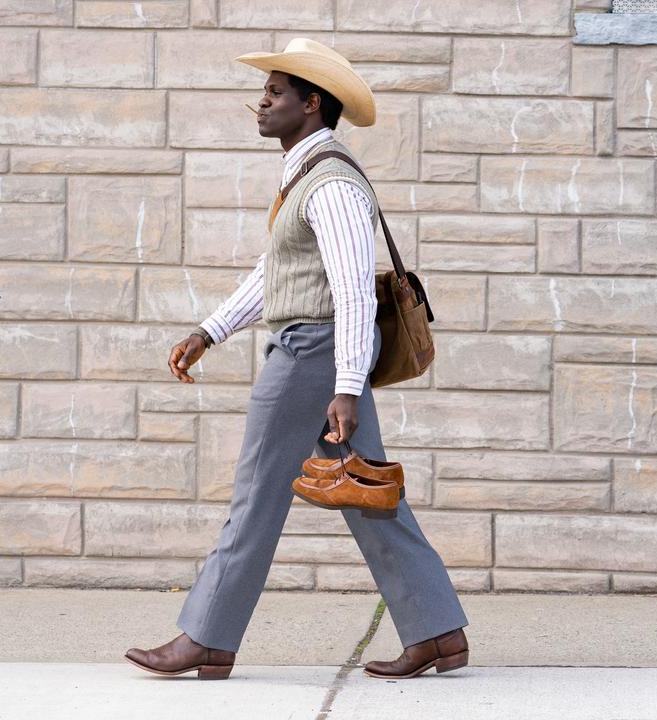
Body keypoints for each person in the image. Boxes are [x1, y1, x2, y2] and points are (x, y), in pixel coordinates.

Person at [124, 38, 469, 681]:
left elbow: (351, 292)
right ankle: (439, 634)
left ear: (312, 105)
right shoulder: (305, 175)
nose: (262, 101)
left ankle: (206, 638)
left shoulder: (332, 184)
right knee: (369, 493)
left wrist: (343, 383)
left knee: (256, 495)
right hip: (324, 355)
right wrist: (211, 330)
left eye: (277, 92)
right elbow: (279, 272)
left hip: (313, 353)